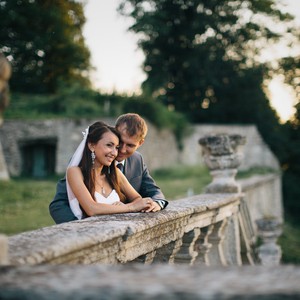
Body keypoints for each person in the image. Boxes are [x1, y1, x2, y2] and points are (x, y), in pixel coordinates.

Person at [49, 113, 168, 223]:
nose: (120, 151)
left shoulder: (132, 163)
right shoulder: (78, 167)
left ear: (140, 143)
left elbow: (150, 192)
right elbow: (60, 203)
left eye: (130, 145)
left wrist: (157, 203)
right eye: (118, 143)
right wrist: (77, 229)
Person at [66, 121, 153, 219]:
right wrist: (129, 207)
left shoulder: (115, 173)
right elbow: (91, 209)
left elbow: (138, 199)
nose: (114, 153)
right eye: (109, 145)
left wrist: (126, 206)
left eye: (116, 147)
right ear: (91, 145)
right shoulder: (75, 172)